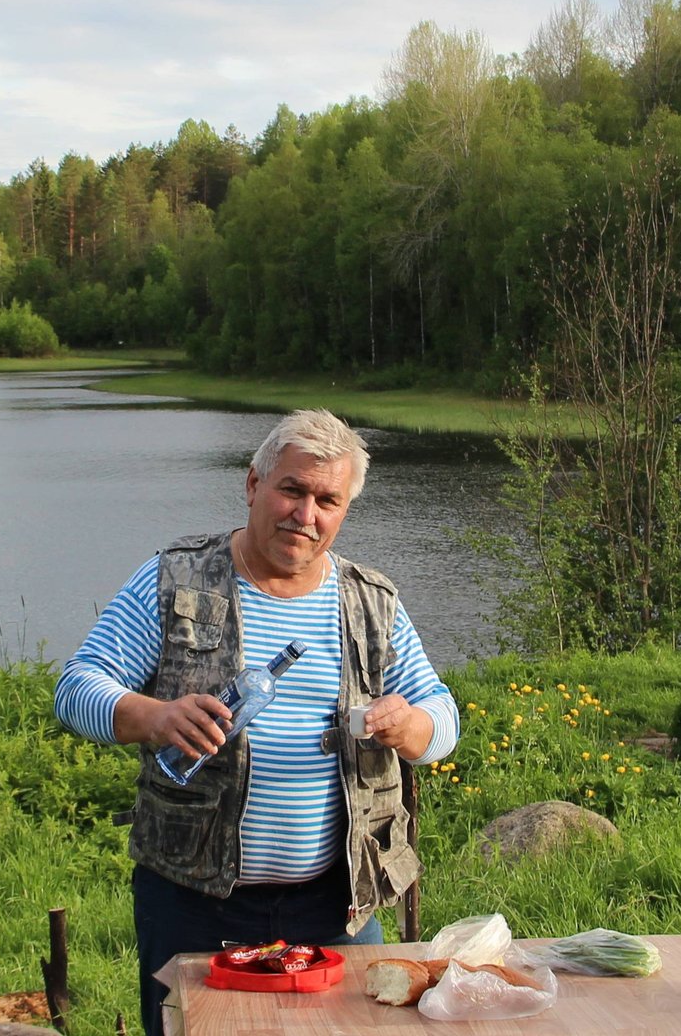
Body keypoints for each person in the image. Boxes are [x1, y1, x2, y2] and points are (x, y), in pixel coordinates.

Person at [55, 409, 458, 1036]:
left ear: (344, 510)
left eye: (327, 500)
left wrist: (412, 727)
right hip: (193, 901)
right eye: (292, 490)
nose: (305, 514)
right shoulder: (178, 578)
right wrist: (156, 716)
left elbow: (441, 714)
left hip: (338, 907)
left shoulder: (371, 603)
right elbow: (77, 686)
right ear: (253, 484)